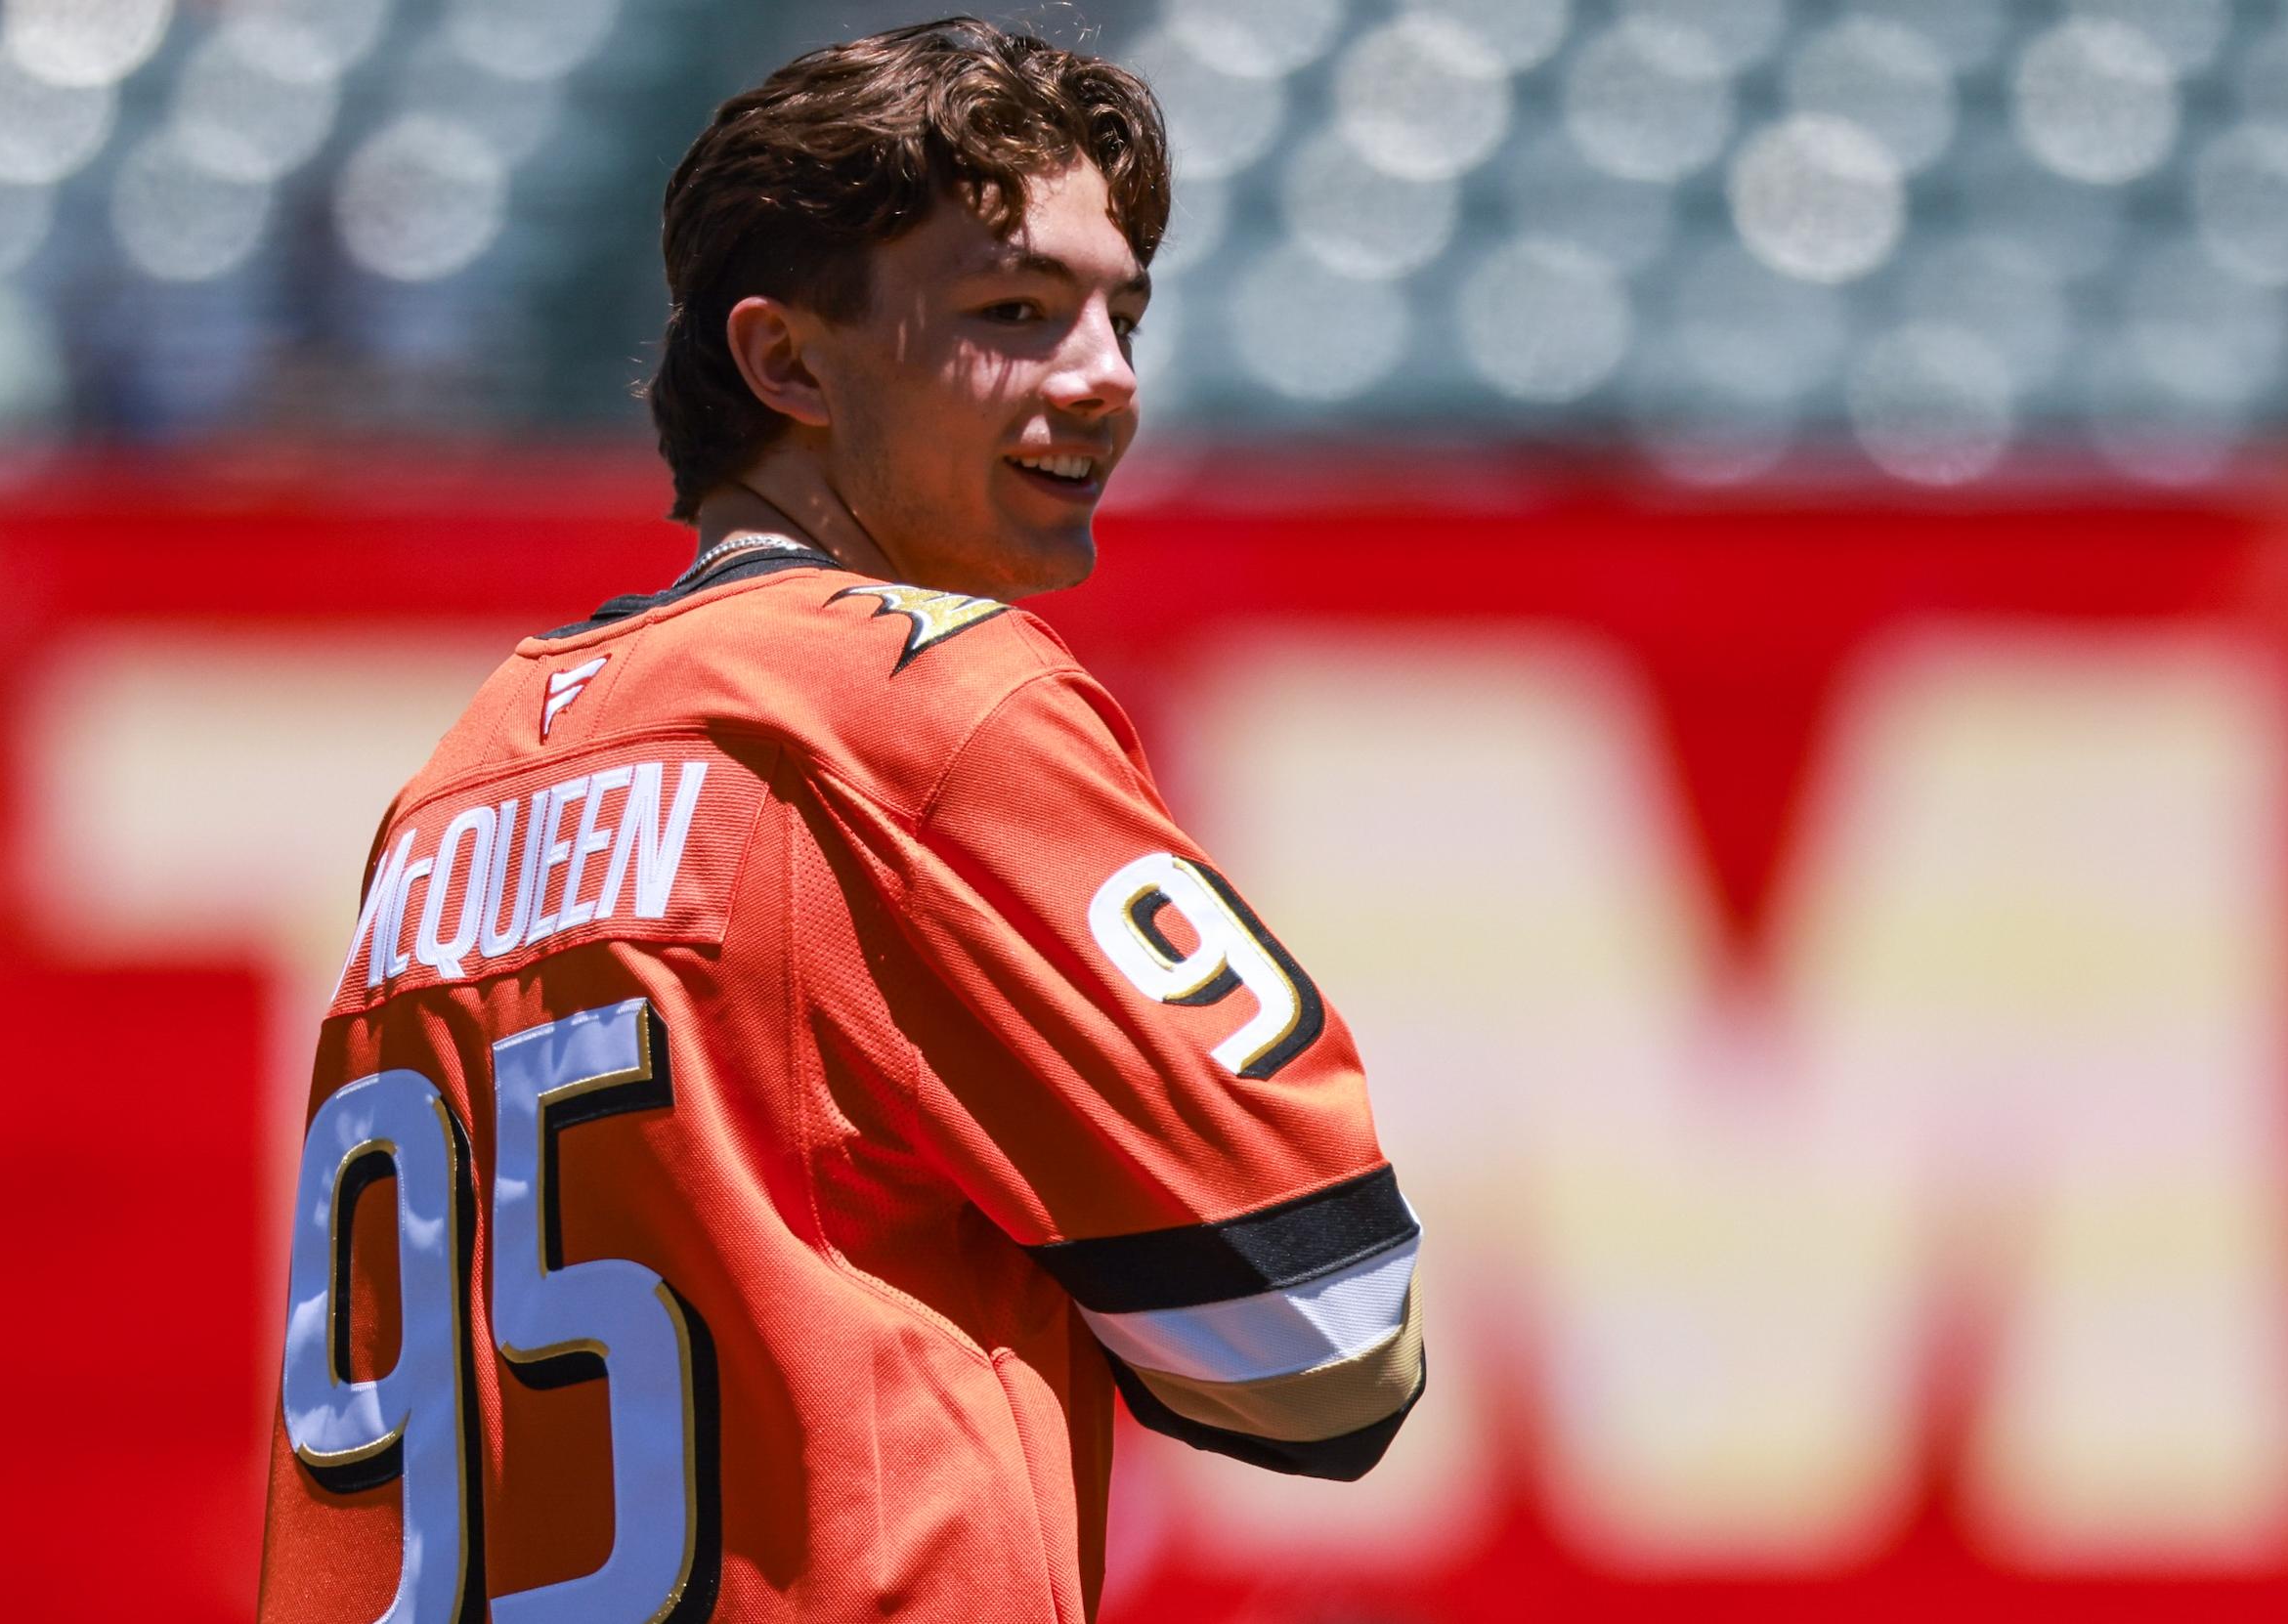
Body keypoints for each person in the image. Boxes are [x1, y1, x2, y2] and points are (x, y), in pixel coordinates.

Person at [259, 20, 1423, 1622]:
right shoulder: (922, 704)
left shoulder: (454, 782)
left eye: (1121, 312)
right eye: (1013, 311)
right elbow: (1328, 1332)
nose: (1104, 377)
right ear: (787, 363)